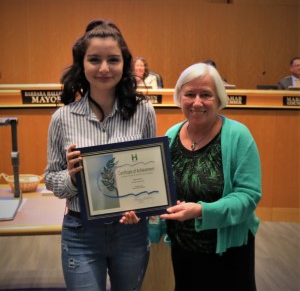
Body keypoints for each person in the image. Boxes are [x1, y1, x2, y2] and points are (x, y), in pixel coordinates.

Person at [45, 19, 157, 291]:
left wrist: (141, 208)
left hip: (130, 231)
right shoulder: (62, 118)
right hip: (81, 232)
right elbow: (50, 179)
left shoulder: (144, 111)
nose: (104, 68)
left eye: (113, 60)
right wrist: (71, 178)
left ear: (125, 64)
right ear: (81, 64)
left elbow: (151, 173)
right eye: (94, 59)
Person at [160, 63, 262, 291]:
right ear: (179, 97)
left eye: (206, 94)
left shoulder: (238, 136)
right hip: (183, 250)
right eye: (189, 94)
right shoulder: (171, 135)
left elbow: (249, 195)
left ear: (218, 98)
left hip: (227, 252)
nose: (197, 102)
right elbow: (161, 191)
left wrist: (202, 211)